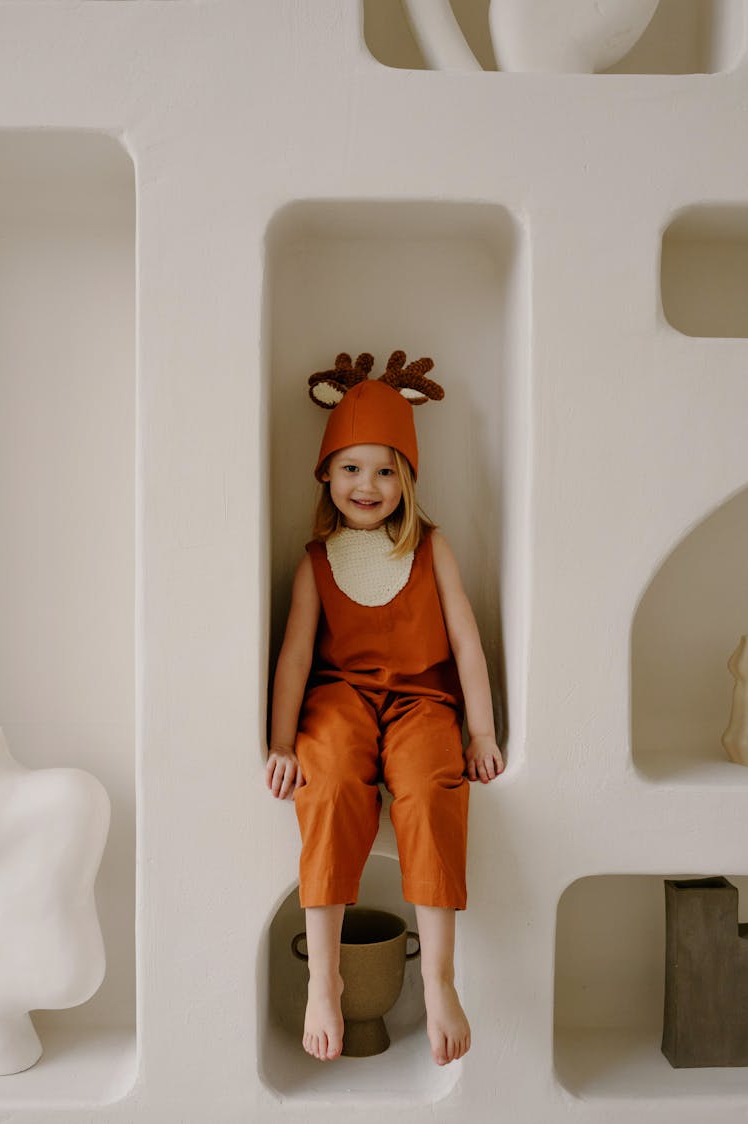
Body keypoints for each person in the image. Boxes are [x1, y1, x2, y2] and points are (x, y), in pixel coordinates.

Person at [266, 351, 504, 1067]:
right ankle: (325, 979)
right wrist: (282, 742)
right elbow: (295, 660)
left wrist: (480, 729)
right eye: (350, 468)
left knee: (432, 787)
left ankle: (438, 978)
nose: (366, 485)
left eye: (384, 470)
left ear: (406, 478)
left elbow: (465, 640)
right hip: (338, 699)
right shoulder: (316, 560)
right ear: (326, 475)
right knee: (330, 780)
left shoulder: (433, 550)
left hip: (422, 702)